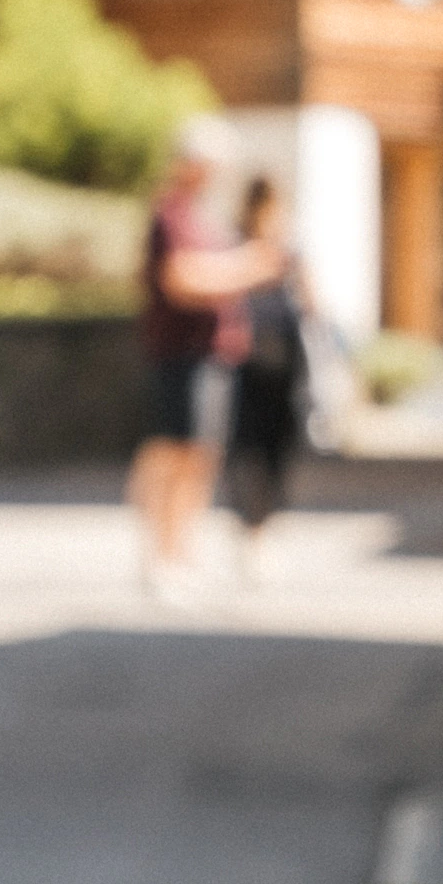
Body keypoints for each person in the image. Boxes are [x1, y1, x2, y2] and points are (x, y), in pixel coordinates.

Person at [128, 118, 287, 598]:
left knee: (201, 457)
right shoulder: (171, 214)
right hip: (182, 351)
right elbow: (182, 280)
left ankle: (182, 552)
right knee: (176, 453)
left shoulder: (202, 215)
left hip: (214, 353)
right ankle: (162, 555)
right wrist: (245, 269)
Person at [218, 173, 317, 556]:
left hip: (285, 356)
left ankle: (267, 514)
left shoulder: (290, 252)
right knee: (246, 441)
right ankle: (249, 518)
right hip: (246, 355)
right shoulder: (239, 248)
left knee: (281, 437)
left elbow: (312, 304)